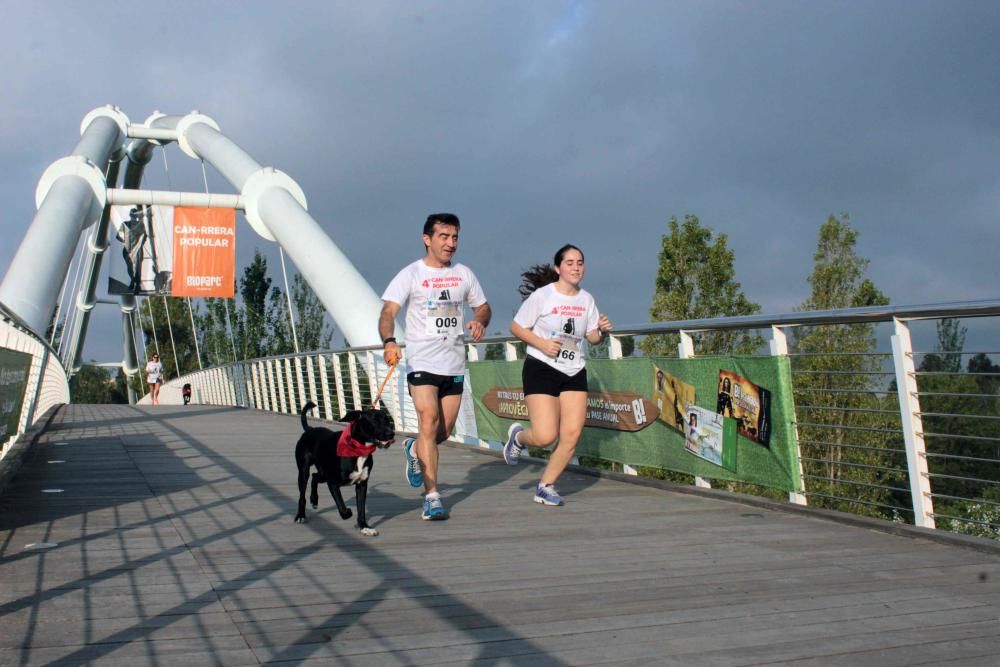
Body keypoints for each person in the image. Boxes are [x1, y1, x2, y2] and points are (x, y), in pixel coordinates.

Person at [379, 213, 491, 521]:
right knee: (428, 418)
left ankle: (415, 450)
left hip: (453, 362)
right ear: (427, 239)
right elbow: (388, 310)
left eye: (454, 237)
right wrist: (389, 340)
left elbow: (483, 306)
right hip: (422, 361)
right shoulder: (411, 274)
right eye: (443, 236)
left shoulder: (464, 274)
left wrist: (480, 322)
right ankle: (432, 496)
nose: (450, 243)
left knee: (442, 430)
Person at [502, 244, 612, 506]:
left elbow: (592, 337)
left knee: (572, 435)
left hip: (574, 370)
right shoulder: (543, 296)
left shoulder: (587, 300)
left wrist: (602, 331)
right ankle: (518, 437)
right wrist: (541, 344)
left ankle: (546, 486)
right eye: (570, 263)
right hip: (542, 366)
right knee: (544, 436)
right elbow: (517, 326)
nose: (576, 267)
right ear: (558, 268)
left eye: (580, 263)